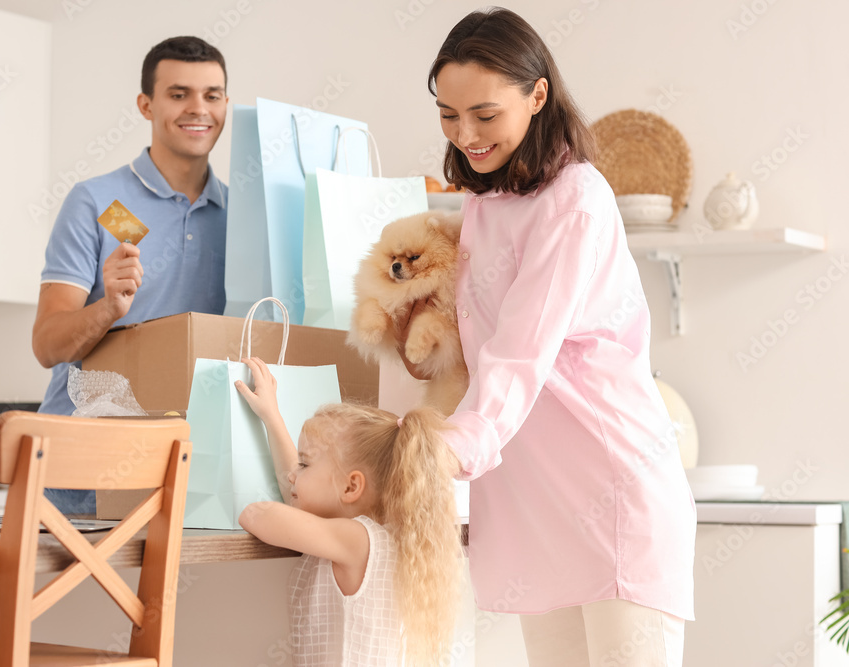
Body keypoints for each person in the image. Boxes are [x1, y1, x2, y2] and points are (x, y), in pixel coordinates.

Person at [408, 7, 696, 667]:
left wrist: (453, 446)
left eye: (484, 114)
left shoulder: (575, 199)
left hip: (613, 489)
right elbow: (480, 340)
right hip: (539, 506)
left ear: (538, 95)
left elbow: (521, 352)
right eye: (449, 115)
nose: (466, 134)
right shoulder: (486, 201)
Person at [32, 36, 229, 513]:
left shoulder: (241, 217)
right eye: (178, 94)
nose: (197, 109)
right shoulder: (98, 203)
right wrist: (108, 309)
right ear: (146, 105)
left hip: (179, 466)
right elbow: (47, 344)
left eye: (212, 95)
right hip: (75, 466)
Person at [234, 357, 462, 667]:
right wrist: (272, 417)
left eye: (305, 464)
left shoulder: (357, 539)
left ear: (351, 487)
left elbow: (259, 515)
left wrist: (257, 503)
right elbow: (295, 488)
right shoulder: (377, 536)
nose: (293, 476)